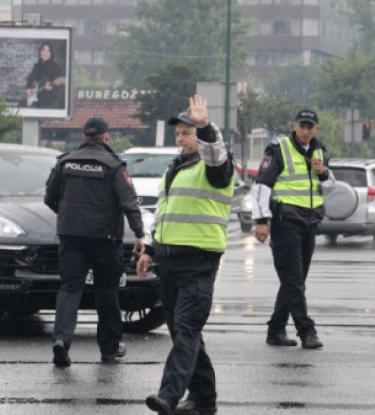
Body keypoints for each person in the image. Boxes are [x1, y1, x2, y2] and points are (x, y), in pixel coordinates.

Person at [137, 95, 235, 415]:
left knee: (187, 329)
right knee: (183, 331)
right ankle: (204, 398)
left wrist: (205, 126)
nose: (180, 139)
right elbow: (164, 212)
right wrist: (150, 250)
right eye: (177, 134)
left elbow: (216, 156)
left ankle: (169, 395)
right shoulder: (175, 168)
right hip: (169, 260)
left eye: (186, 132)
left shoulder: (215, 166)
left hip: (199, 260)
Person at [44, 116, 145, 367]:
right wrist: (140, 233)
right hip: (105, 239)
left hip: (71, 237)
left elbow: (49, 197)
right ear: (106, 137)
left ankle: (62, 341)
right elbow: (129, 203)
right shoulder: (113, 165)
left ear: (83, 136)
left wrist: (70, 217)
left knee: (69, 289)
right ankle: (109, 348)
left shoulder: (65, 162)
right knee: (107, 292)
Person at [250, 109, 335, 350]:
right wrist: (261, 220)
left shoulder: (319, 150)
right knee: (294, 280)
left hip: (310, 222)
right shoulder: (279, 148)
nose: (306, 131)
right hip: (285, 222)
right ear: (294, 126)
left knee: (294, 281)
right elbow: (262, 185)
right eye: (302, 126)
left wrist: (323, 172)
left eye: (311, 127)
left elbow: (329, 185)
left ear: (316, 129)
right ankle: (307, 331)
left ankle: (276, 329)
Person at [25, 41, 65, 109]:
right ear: (40, 52)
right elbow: (30, 80)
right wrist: (29, 88)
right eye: (43, 50)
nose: (45, 53)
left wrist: (51, 88)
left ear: (51, 53)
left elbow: (60, 84)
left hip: (50, 103)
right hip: (38, 101)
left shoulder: (55, 68)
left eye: (48, 51)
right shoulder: (37, 66)